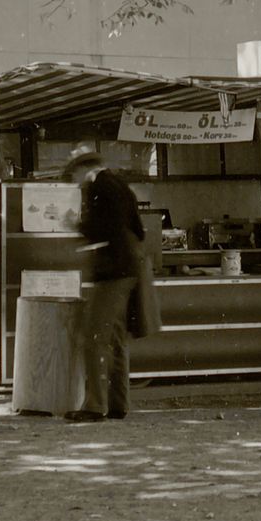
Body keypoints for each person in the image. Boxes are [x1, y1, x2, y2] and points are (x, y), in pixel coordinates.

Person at [63, 145, 161, 422]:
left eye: (73, 175)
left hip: (112, 273)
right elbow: (138, 229)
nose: (74, 181)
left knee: (93, 337)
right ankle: (120, 403)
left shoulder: (98, 188)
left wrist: (76, 225)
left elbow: (106, 229)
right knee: (117, 339)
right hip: (130, 270)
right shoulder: (121, 185)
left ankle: (94, 406)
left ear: (82, 169)